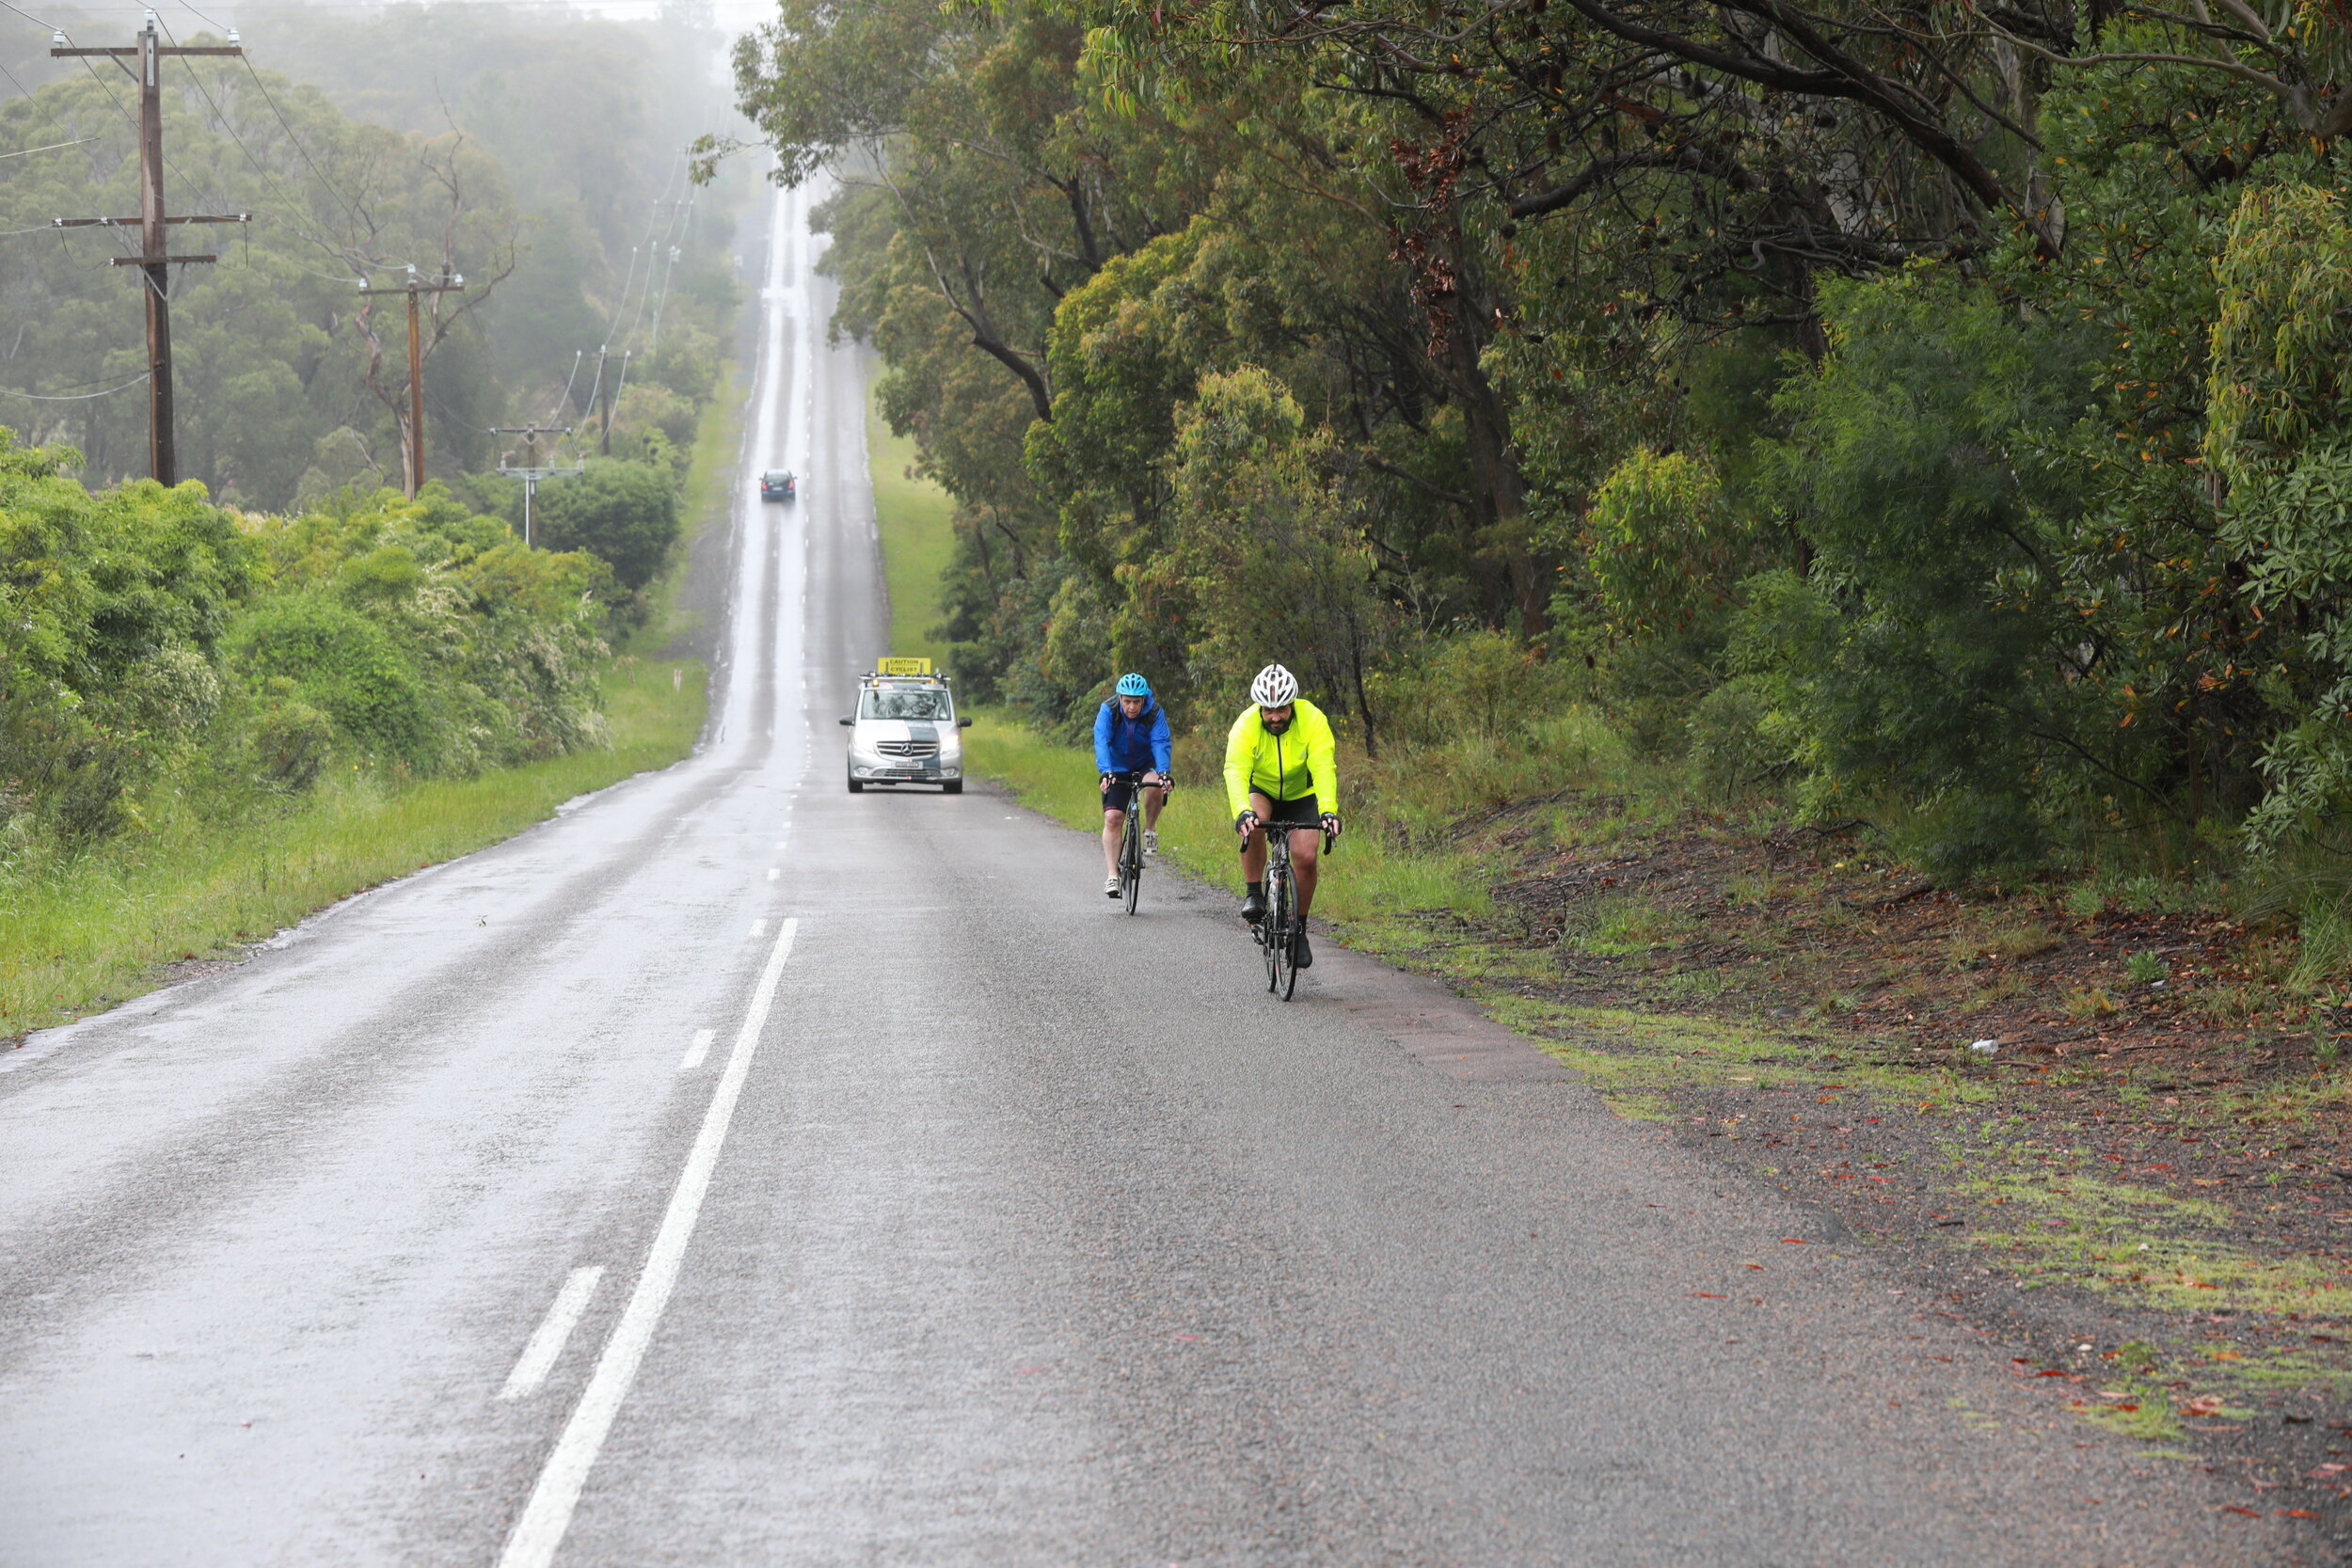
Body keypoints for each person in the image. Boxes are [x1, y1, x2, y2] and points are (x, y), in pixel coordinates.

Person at [1223, 663, 1342, 967]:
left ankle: (1299, 930)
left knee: (1306, 856)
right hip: (1262, 791)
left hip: (1301, 794)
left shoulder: (1313, 719)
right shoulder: (1244, 725)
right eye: (1268, 710)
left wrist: (1328, 810)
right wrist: (1241, 812)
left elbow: (1323, 767)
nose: (1275, 717)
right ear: (1259, 708)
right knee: (1254, 824)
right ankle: (1254, 893)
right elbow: (1235, 771)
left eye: (1282, 709)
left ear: (1292, 704)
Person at [1094, 673, 1173, 897]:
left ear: (1143, 699)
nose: (1131, 707)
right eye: (1127, 701)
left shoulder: (1154, 712)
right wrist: (1106, 772)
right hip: (1116, 766)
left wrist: (1164, 772)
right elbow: (1102, 740)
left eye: (1136, 702)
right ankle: (1112, 876)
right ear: (1120, 697)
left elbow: (1160, 741)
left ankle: (1149, 829)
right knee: (1113, 818)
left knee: (1155, 784)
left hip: (1144, 763)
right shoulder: (1108, 710)